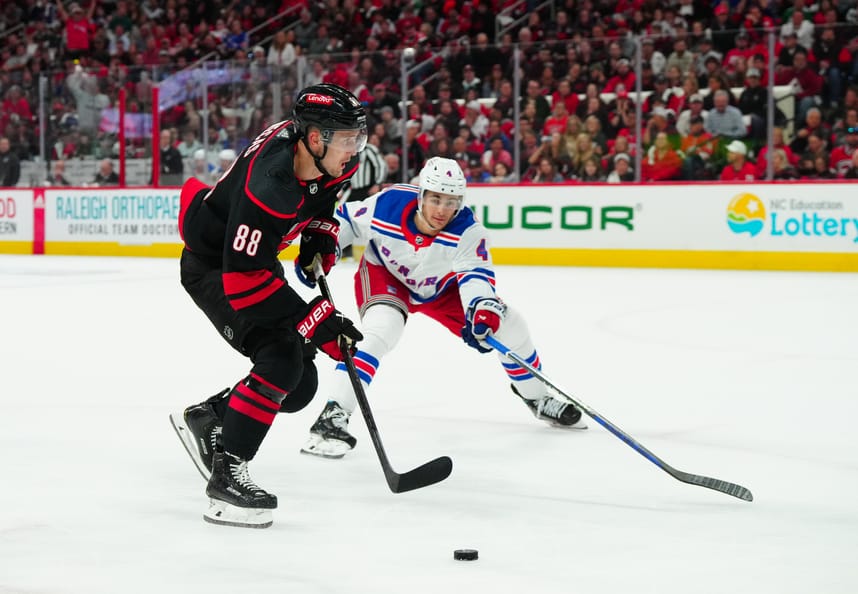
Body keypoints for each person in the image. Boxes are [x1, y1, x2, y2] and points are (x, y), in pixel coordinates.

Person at [168, 84, 368, 529]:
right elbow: (243, 282)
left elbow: (320, 201)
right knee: (280, 359)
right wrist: (316, 321)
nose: (354, 149)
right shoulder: (269, 184)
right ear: (314, 139)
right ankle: (226, 478)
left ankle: (211, 418)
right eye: (347, 139)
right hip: (215, 267)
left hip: (251, 261)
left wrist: (319, 235)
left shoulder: (323, 154)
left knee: (300, 383)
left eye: (358, 137)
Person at [298, 156, 587, 460]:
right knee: (382, 329)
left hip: (440, 288)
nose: (441, 210)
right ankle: (333, 415)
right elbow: (346, 220)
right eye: (435, 198)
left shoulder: (467, 230)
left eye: (451, 202)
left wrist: (481, 310)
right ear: (421, 194)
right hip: (385, 275)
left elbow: (476, 275)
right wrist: (324, 244)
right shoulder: (389, 203)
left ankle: (537, 398)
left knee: (510, 324)